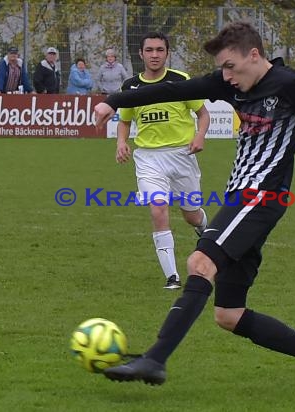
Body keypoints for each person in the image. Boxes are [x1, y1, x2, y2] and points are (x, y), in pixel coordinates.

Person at [94, 21, 295, 391]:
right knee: (228, 314)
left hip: (262, 196)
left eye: (231, 66)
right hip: (241, 195)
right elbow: (175, 90)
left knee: (199, 262)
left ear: (254, 55)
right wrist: (113, 101)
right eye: (222, 67)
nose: (226, 75)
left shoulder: (294, 85)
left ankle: (154, 360)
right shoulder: (227, 83)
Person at [117, 32, 210, 290]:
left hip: (183, 156)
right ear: (141, 54)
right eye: (150, 50)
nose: (155, 54)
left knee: (191, 215)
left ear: (167, 53)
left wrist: (200, 136)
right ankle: (172, 276)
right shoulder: (131, 87)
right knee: (158, 208)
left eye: (160, 50)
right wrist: (121, 142)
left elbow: (203, 114)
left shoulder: (181, 81)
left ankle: (204, 228)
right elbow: (125, 121)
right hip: (148, 158)